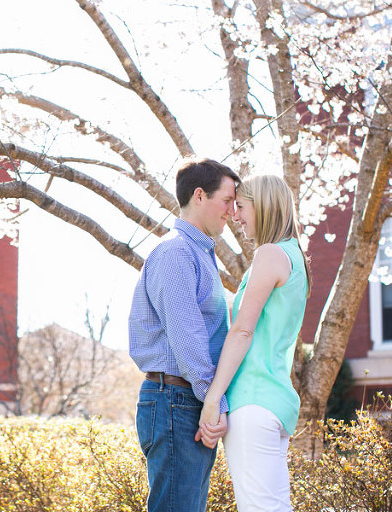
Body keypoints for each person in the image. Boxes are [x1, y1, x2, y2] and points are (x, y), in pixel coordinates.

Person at [128, 157, 240, 512]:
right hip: (176, 399)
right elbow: (187, 339)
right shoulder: (177, 252)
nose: (232, 211)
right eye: (227, 200)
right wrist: (215, 402)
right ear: (199, 196)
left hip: (184, 399)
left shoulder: (200, 254)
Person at [198, 174, 311, 511]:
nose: (235, 214)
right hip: (274, 402)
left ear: (263, 206)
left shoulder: (270, 254)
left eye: (242, 206)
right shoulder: (294, 257)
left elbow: (242, 331)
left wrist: (213, 399)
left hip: (253, 401)